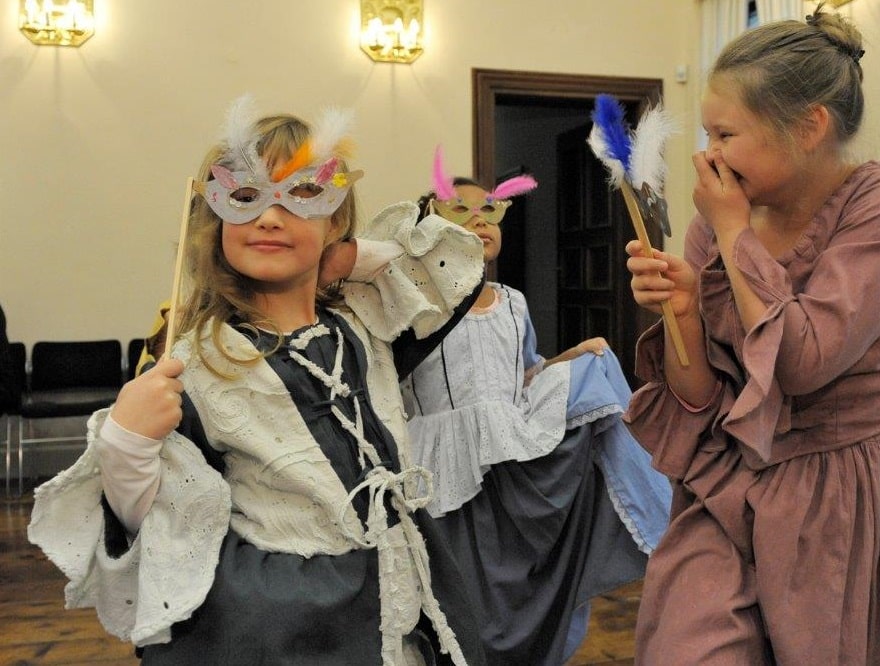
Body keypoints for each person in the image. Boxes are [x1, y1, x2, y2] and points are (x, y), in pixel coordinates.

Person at [28, 97, 489, 665]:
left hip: (402, 591)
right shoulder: (199, 361)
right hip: (283, 620)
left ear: (336, 217)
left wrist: (346, 256)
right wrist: (128, 441)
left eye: (302, 194)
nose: (270, 217)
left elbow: (454, 268)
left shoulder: (367, 322)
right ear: (214, 217)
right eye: (245, 197)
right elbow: (151, 522)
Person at [624, 4, 880, 664]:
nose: (709, 155)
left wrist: (734, 232)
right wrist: (682, 313)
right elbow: (703, 398)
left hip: (862, 488)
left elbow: (801, 363)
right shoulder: (715, 223)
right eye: (708, 133)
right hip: (739, 485)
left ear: (808, 127)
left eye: (726, 133)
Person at [400, 152, 673, 665]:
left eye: (490, 212)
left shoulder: (512, 302)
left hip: (511, 462)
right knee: (464, 598)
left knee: (516, 591)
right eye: (460, 211)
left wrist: (575, 356)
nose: (480, 222)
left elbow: (524, 375)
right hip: (448, 473)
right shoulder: (413, 304)